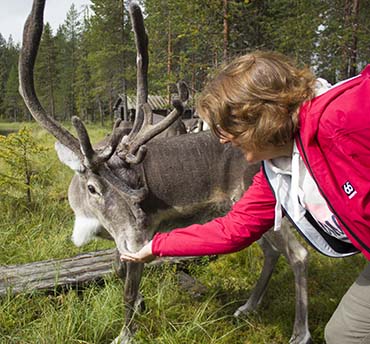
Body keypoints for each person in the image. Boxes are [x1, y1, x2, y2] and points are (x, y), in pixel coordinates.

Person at [120, 51, 370, 344]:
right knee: (345, 334)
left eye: (226, 129)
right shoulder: (278, 172)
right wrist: (158, 245)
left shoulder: (345, 116)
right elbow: (233, 229)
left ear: (257, 119)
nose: (221, 140)